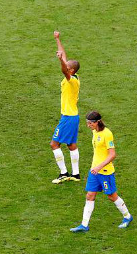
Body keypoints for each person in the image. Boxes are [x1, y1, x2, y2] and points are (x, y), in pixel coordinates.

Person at [70, 111, 133, 232]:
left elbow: (112, 154)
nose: (88, 125)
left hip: (105, 172)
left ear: (97, 122)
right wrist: (95, 167)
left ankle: (127, 217)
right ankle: (84, 225)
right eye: (87, 123)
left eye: (90, 123)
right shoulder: (94, 132)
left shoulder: (107, 134)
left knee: (111, 196)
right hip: (94, 171)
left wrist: (99, 167)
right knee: (90, 195)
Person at [50, 31, 81, 184]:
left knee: (54, 144)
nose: (65, 64)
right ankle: (75, 174)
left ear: (71, 71)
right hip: (72, 116)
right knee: (71, 144)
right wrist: (58, 39)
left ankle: (64, 173)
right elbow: (64, 56)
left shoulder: (71, 80)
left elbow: (63, 68)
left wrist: (62, 61)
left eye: (67, 66)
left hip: (68, 117)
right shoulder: (74, 77)